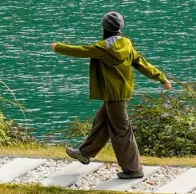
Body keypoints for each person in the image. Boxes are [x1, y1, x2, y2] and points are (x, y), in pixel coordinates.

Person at [52, 11, 172, 180]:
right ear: (120, 29)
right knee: (102, 122)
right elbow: (141, 63)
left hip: (114, 97)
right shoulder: (127, 45)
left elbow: (81, 51)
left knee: (122, 132)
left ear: (104, 28)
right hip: (120, 94)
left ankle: (133, 169)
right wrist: (161, 77)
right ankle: (85, 153)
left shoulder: (103, 48)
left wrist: (59, 47)